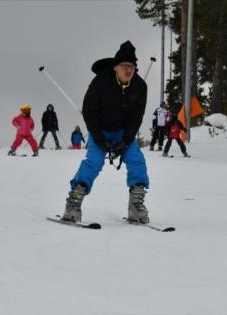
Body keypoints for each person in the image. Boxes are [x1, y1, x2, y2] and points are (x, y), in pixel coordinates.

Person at [61, 40, 150, 224]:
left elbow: (136, 118)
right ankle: (74, 202)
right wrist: (100, 139)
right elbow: (89, 111)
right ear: (116, 67)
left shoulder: (140, 87)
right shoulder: (100, 82)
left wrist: (126, 141)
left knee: (136, 160)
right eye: (125, 66)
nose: (129, 70)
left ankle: (136, 204)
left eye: (132, 66)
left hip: (123, 132)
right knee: (94, 161)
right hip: (100, 130)